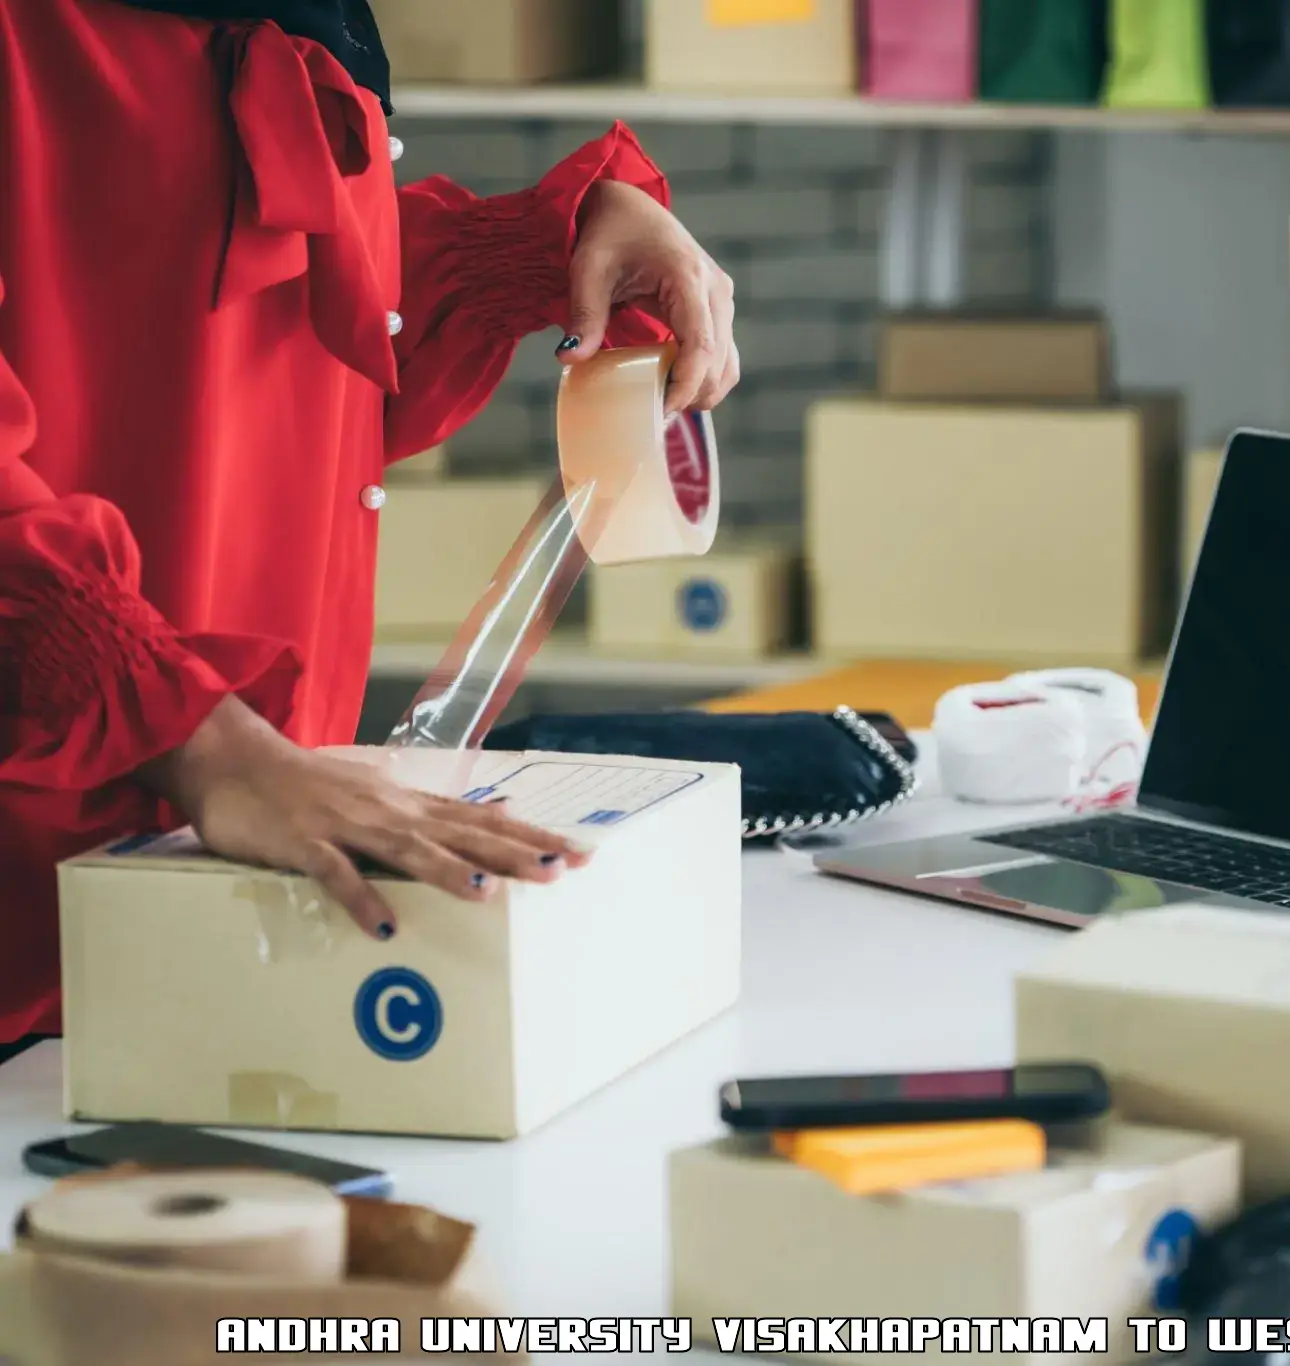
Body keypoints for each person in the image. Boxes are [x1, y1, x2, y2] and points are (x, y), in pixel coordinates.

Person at [0, 0, 742, 1059]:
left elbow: (271, 332)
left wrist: (545, 250)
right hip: (47, 901)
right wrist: (201, 741)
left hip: (233, 878)